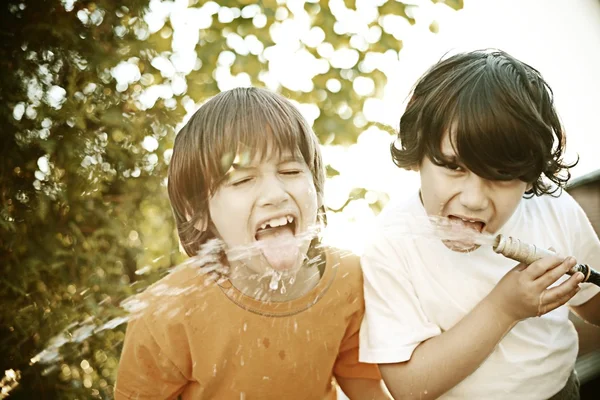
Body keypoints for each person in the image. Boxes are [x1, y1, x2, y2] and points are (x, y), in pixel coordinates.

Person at [115, 87, 389, 399]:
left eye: (290, 170)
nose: (275, 194)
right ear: (198, 212)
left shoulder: (347, 280)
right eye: (243, 180)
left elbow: (366, 387)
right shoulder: (166, 314)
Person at [358, 49, 600, 399]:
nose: (473, 198)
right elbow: (408, 387)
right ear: (418, 158)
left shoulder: (554, 209)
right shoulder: (393, 244)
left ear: (529, 177)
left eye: (501, 175)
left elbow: (591, 303)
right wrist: (504, 308)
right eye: (454, 167)